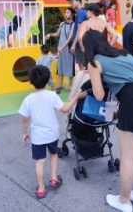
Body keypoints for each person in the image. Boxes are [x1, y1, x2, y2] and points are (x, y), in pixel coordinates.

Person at [82, 30, 133, 212]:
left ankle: (124, 200)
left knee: (127, 156)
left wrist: (93, 75)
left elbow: (99, 94)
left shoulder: (94, 61)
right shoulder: (122, 52)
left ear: (88, 47)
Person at [19, 65, 83, 199]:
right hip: (52, 133)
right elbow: (65, 109)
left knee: (40, 162)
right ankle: (54, 179)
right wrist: (76, 97)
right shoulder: (51, 95)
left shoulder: (28, 99)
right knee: (53, 155)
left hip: (37, 137)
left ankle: (41, 189)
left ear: (30, 81)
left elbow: (25, 119)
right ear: (47, 80)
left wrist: (24, 132)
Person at [45, 7, 75, 91]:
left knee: (69, 65)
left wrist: (61, 47)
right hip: (60, 48)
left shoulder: (73, 25)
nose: (66, 14)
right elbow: (57, 34)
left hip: (67, 48)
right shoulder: (62, 24)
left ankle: (70, 84)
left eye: (68, 12)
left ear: (72, 15)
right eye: (66, 12)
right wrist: (50, 35)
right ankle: (60, 84)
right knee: (60, 65)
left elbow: (69, 38)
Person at [67, 0, 88, 68]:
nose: (71, 3)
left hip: (80, 44)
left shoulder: (81, 12)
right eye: (70, 2)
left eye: (72, 1)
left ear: (78, 1)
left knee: (82, 68)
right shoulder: (83, 11)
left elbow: (79, 30)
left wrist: (74, 44)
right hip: (83, 43)